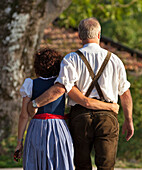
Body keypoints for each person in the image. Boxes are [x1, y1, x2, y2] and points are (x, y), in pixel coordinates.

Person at [28, 17, 134, 170]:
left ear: (79, 36)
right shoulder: (115, 60)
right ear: (99, 35)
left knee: (81, 165)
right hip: (107, 116)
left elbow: (61, 88)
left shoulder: (71, 59)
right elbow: (125, 93)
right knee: (106, 165)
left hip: (80, 117)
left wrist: (35, 103)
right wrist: (128, 120)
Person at [14, 47, 119, 170]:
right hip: (59, 128)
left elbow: (24, 115)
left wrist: (19, 142)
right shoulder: (64, 84)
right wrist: (110, 106)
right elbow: (83, 101)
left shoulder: (30, 84)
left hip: (37, 127)